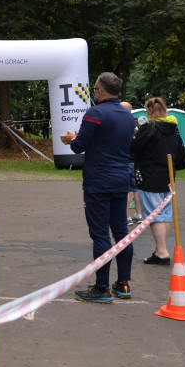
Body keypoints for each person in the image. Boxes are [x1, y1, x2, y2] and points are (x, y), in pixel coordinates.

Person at [60, 72, 136, 304]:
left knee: (101, 234)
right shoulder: (127, 115)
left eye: (94, 90)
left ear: (100, 91)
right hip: (121, 179)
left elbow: (78, 146)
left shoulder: (95, 112)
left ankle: (102, 288)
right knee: (122, 232)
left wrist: (72, 138)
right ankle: (123, 283)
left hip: (98, 181)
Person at [130, 97, 185, 266]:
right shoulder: (172, 128)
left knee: (155, 215)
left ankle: (162, 251)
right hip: (168, 176)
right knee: (164, 214)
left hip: (150, 176)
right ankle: (160, 249)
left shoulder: (149, 129)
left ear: (148, 111)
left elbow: (133, 149)